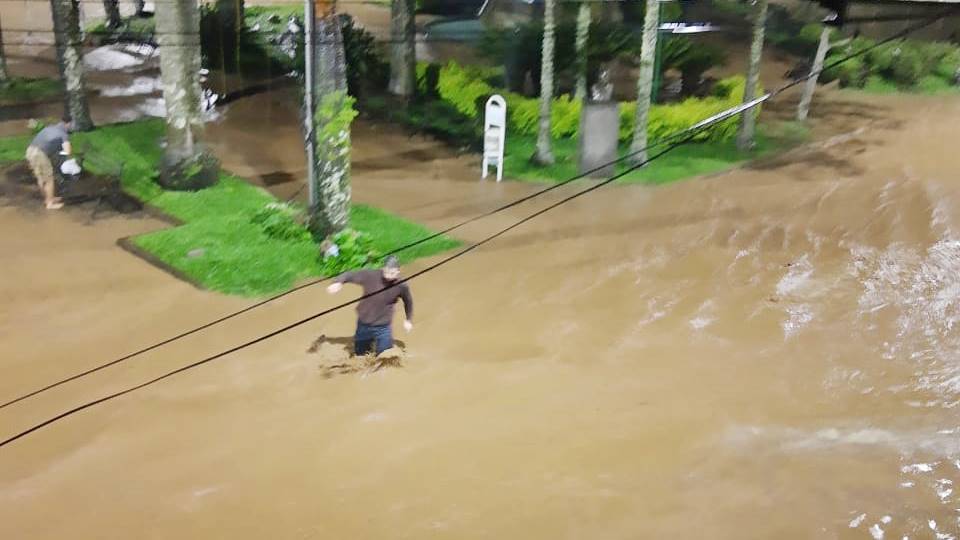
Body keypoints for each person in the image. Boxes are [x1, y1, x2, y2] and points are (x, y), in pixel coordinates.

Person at [327, 256, 413, 357]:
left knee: (386, 357)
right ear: (383, 268)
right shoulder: (370, 275)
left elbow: (408, 302)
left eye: (392, 273)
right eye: (386, 272)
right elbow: (349, 274)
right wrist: (338, 282)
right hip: (364, 324)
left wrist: (408, 319)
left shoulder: (402, 286)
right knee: (360, 355)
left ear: (398, 271)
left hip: (383, 327)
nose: (389, 276)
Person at [25, 117, 74, 210]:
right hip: (39, 154)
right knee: (49, 179)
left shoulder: (50, 128)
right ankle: (50, 203)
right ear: (67, 124)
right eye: (71, 124)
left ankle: (48, 199)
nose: (72, 127)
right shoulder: (63, 134)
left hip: (30, 150)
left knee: (41, 177)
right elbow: (68, 151)